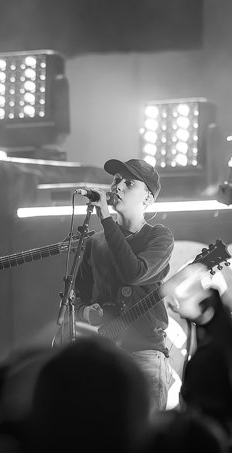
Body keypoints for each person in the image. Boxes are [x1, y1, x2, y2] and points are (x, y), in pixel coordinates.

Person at [75, 158, 175, 413]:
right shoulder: (96, 242)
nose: (117, 186)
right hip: (104, 356)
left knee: (147, 431)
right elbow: (77, 297)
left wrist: (107, 221)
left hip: (145, 353)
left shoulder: (159, 237)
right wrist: (86, 312)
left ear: (148, 198)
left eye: (129, 183)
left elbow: (134, 273)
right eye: (116, 180)